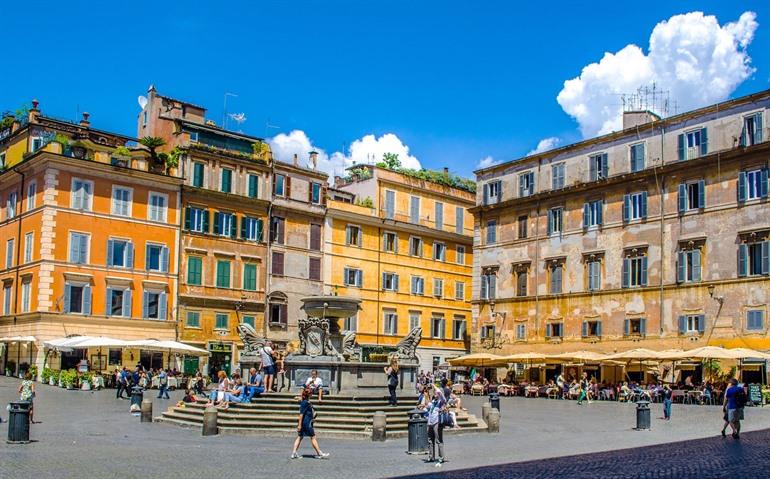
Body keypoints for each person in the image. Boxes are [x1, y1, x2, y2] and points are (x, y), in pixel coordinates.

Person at [291, 388, 330, 459]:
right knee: (313, 437)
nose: (312, 394)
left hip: (307, 422)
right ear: (309, 394)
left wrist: (312, 417)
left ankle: (294, 453)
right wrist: (299, 425)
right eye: (311, 393)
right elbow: (301, 415)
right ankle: (319, 453)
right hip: (306, 423)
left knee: (300, 437)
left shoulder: (306, 401)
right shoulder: (305, 403)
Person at [426, 385, 447, 465]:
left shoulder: (441, 401)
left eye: (436, 393)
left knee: (439, 440)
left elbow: (441, 394)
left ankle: (441, 457)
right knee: (430, 440)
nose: (435, 393)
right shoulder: (433, 401)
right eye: (434, 392)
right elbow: (427, 408)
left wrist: (434, 386)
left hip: (437, 422)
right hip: (430, 422)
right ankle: (431, 457)